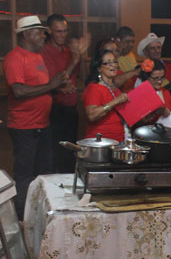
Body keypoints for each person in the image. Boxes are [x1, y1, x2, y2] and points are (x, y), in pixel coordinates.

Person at [4, 15, 69, 219]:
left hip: (43, 124)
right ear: (26, 34)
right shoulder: (15, 58)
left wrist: (60, 88)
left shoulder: (38, 57)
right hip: (24, 127)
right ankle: (24, 219)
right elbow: (19, 91)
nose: (44, 35)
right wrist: (52, 85)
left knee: (45, 173)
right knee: (25, 176)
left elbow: (40, 88)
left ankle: (43, 215)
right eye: (40, 32)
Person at [40, 14, 89, 173]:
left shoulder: (69, 51)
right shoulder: (45, 52)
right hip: (55, 110)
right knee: (55, 156)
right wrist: (73, 61)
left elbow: (83, 76)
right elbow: (56, 82)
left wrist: (80, 58)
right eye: (58, 31)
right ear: (49, 31)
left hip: (71, 109)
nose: (63, 35)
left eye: (65, 31)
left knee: (70, 155)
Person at [83, 50, 129, 142]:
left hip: (118, 140)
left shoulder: (115, 88)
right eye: (108, 63)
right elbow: (92, 115)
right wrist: (116, 101)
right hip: (101, 142)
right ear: (99, 68)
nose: (113, 65)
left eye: (114, 61)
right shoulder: (94, 88)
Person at [135, 58, 171, 125]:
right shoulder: (137, 94)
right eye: (155, 78)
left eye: (162, 77)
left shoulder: (165, 92)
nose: (159, 81)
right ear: (146, 77)